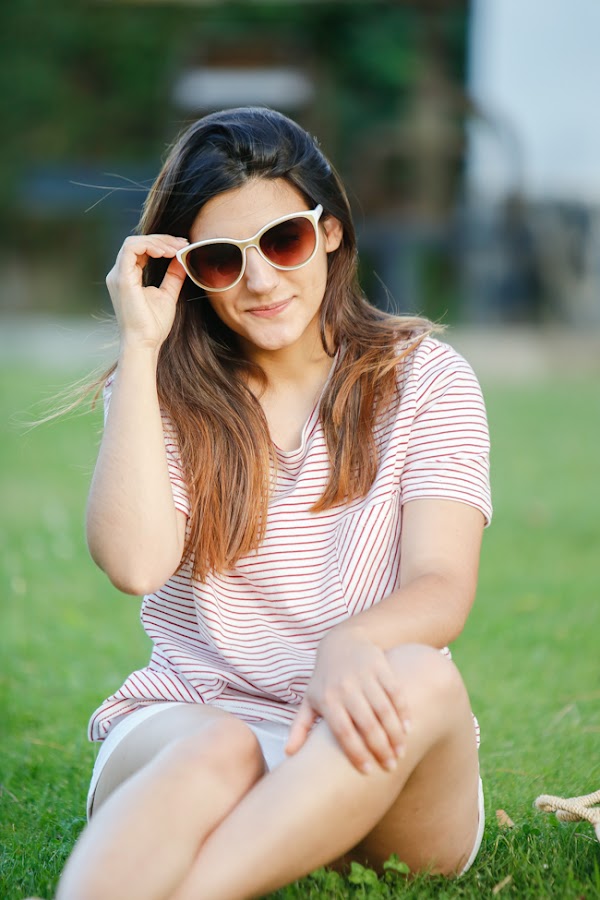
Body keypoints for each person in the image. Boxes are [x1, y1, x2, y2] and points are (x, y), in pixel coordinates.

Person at [55, 106, 491, 900]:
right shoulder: (162, 390)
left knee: (423, 676)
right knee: (220, 745)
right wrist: (141, 347)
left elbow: (442, 584)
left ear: (330, 231)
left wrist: (352, 642)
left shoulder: (429, 379)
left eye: (283, 241)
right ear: (185, 272)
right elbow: (135, 564)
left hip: (366, 746)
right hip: (196, 725)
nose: (260, 282)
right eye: (221, 260)